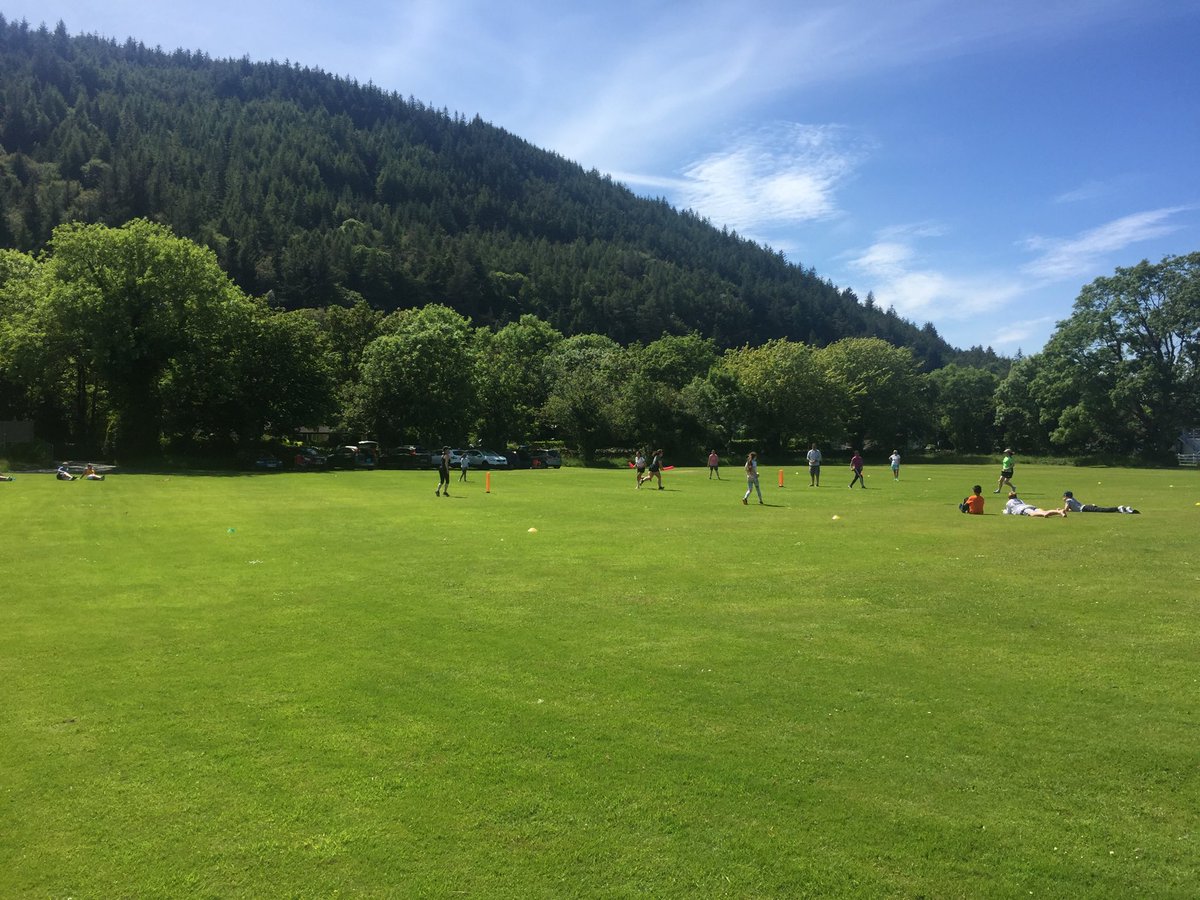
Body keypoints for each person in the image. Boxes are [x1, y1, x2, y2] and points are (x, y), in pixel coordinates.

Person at [1060, 490, 1139, 514]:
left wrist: (1059, 510)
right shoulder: (1072, 499)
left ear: (1066, 496)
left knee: (1103, 510)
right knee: (1102, 509)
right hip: (1087, 507)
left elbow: (1066, 509)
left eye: (1064, 496)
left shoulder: (1068, 500)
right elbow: (1072, 509)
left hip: (1085, 509)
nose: (1063, 497)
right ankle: (1127, 510)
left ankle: (1118, 508)